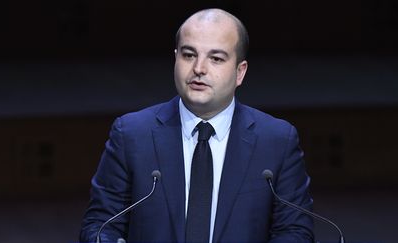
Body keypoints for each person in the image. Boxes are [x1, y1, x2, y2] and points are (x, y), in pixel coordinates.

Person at [80, 8, 314, 243]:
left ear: (240, 72)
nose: (199, 68)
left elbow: (295, 232)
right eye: (189, 55)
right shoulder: (131, 134)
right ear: (176, 59)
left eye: (216, 59)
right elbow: (99, 225)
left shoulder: (276, 141)